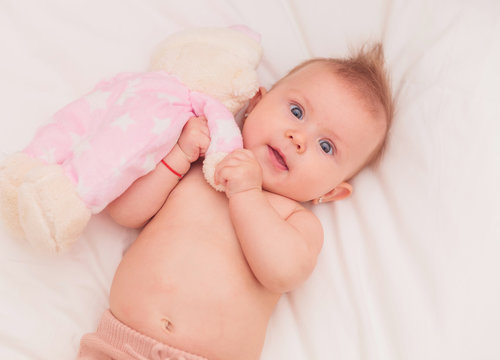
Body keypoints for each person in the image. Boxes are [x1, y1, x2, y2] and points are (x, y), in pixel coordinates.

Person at [77, 43, 393, 360]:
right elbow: (124, 212)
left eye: (326, 147)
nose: (299, 139)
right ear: (255, 103)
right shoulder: (199, 168)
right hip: (117, 346)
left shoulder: (295, 222)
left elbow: (282, 273)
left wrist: (247, 194)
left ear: (331, 192)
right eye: (296, 112)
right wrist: (178, 156)